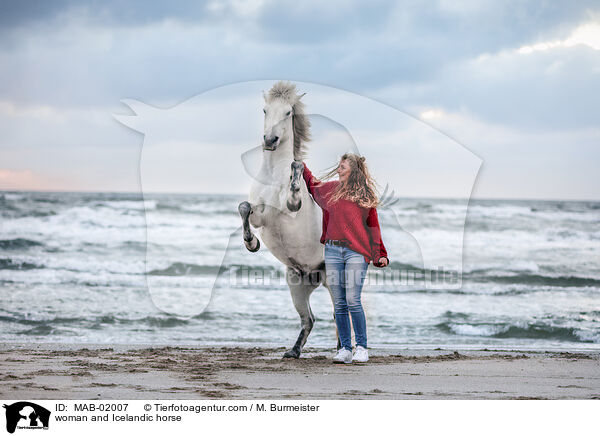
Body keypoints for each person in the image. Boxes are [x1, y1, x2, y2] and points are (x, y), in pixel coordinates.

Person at [302, 153, 389, 364]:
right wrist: (299, 162)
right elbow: (312, 184)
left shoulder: (364, 195)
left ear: (353, 171)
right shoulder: (330, 190)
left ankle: (361, 347)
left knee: (352, 299)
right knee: (339, 302)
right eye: (339, 167)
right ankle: (345, 349)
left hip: (356, 253)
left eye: (343, 167)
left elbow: (373, 227)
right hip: (332, 250)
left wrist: (381, 254)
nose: (339, 169)